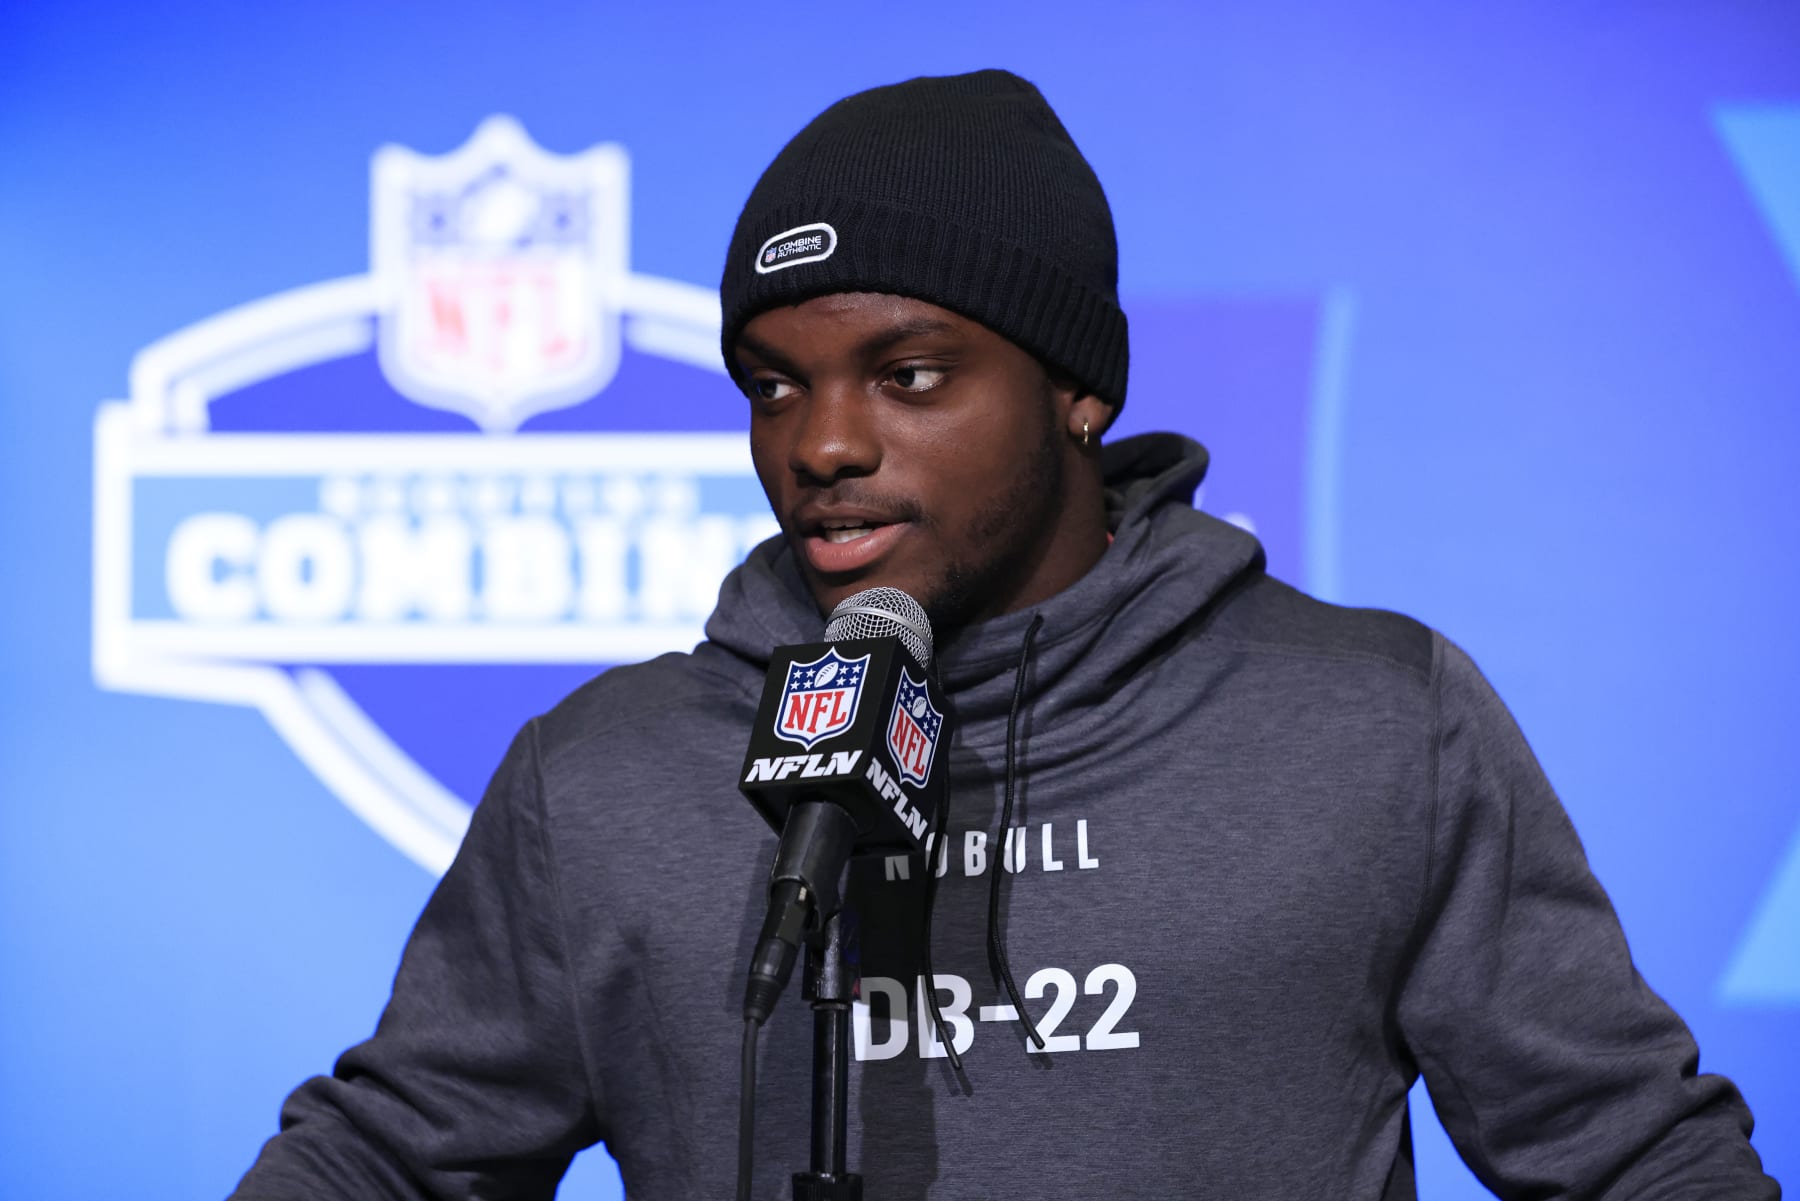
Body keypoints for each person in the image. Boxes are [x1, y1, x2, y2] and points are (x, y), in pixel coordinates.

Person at [230, 70, 1779, 1200]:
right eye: (774, 385)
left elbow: (1637, 1159)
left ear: (1077, 388)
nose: (823, 443)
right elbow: (389, 1157)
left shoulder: (1374, 721)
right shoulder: (606, 775)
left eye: (908, 374)